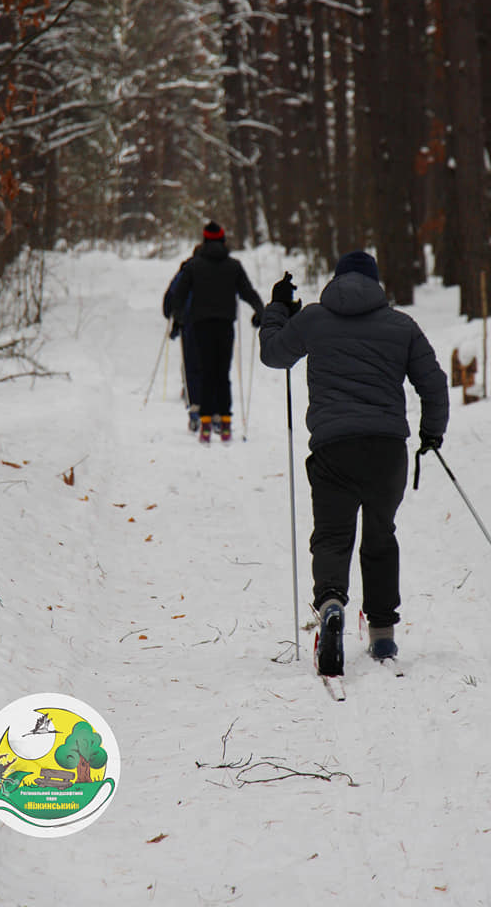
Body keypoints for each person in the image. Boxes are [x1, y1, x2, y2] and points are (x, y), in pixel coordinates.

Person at [259, 250, 449, 676]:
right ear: (377, 284)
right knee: (380, 537)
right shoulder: (401, 326)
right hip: (386, 451)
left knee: (331, 535)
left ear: (335, 279)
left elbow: (274, 354)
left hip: (332, 448)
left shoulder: (312, 319)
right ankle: (382, 635)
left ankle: (330, 604)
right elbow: (433, 383)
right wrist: (431, 433)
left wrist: (278, 311)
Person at [167, 221, 264, 443]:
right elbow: (248, 292)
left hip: (200, 325)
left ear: (204, 240)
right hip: (225, 325)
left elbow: (179, 297)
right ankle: (226, 421)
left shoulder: (193, 267)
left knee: (205, 371)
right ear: (222, 240)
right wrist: (261, 312)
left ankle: (206, 422)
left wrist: (179, 318)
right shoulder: (234, 266)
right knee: (222, 372)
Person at [163, 246, 203, 431]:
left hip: (191, 324)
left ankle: (194, 408)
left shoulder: (186, 269)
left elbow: (172, 295)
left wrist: (172, 316)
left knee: (192, 364)